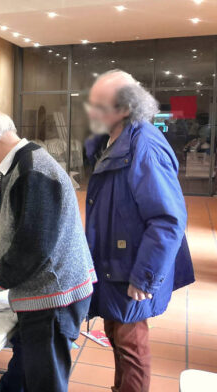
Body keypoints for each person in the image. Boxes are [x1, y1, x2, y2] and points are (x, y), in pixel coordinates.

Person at [0, 108, 96, 392]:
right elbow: (7, 233)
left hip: (54, 296)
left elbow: (33, 247)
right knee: (29, 377)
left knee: (45, 384)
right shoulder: (16, 167)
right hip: (46, 294)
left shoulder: (33, 171)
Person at [84, 70, 194, 392]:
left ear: (126, 108)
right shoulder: (115, 139)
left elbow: (168, 219)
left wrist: (144, 277)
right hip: (115, 265)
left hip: (132, 269)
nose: (92, 112)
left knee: (131, 347)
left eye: (100, 105)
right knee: (118, 339)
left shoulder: (144, 145)